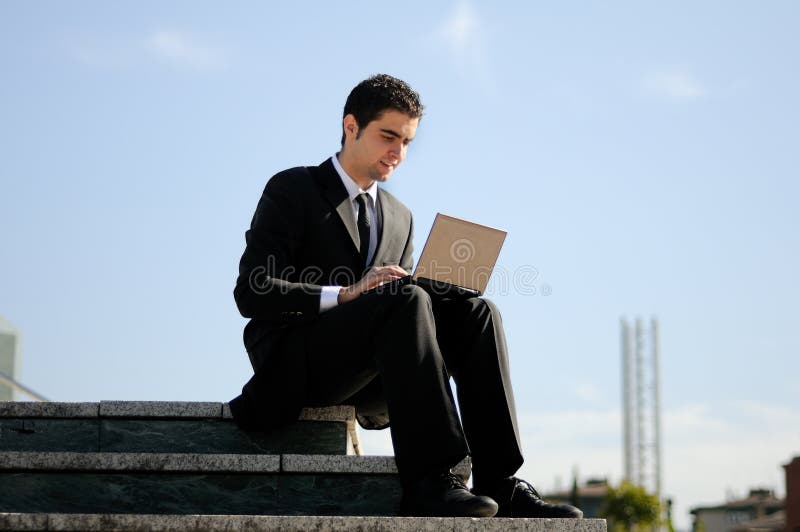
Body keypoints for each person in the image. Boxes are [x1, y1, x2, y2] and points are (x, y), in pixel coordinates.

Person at [229, 74, 583, 519]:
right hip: (297, 360)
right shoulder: (293, 188)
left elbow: (400, 308)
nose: (398, 151)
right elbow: (252, 290)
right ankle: (431, 480)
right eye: (388, 136)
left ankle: (500, 482)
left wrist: (438, 294)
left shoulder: (400, 216)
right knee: (405, 301)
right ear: (351, 126)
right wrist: (346, 294)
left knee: (476, 311)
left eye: (408, 141)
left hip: (373, 368)